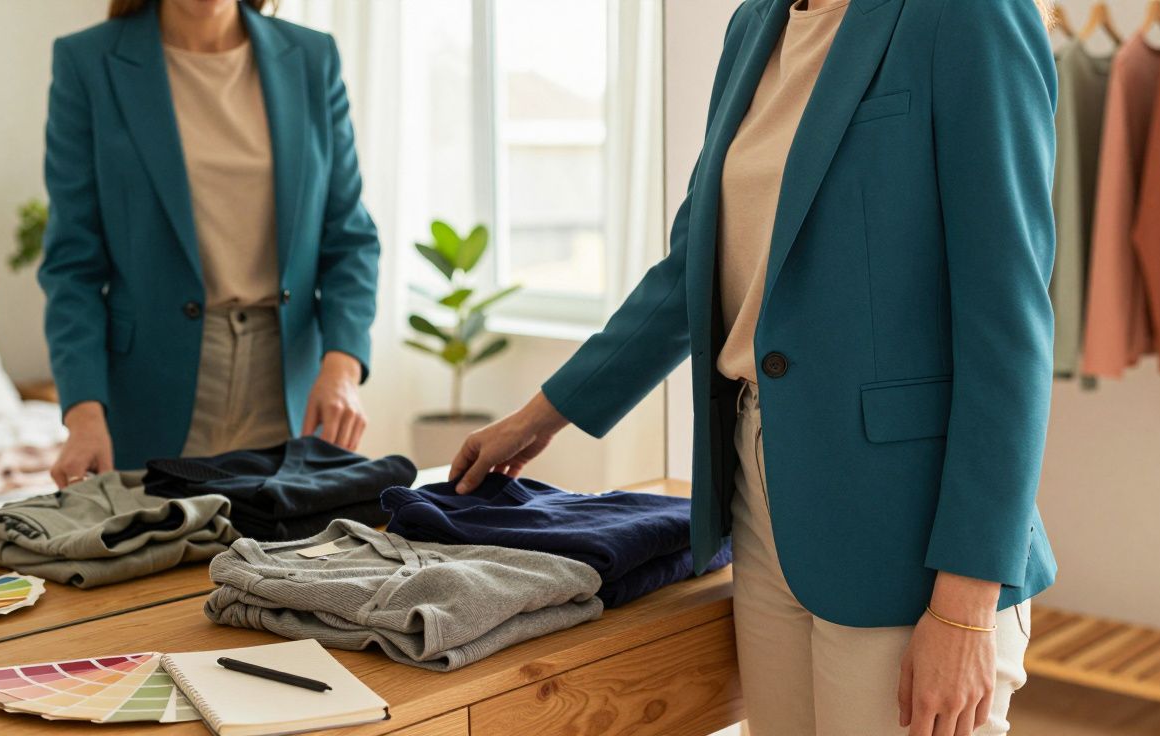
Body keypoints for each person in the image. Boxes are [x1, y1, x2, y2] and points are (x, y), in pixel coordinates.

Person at [450, 0, 1058, 733]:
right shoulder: (754, 26)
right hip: (763, 495)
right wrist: (539, 416)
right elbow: (691, 274)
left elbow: (1008, 333)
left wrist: (965, 609)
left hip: (908, 527)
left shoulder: (968, 17)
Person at [39, 0, 377, 485]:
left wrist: (342, 366)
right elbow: (73, 265)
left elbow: (350, 237)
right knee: (162, 558)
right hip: (150, 391)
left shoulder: (311, 56)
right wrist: (84, 412)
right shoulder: (88, 62)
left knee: (288, 558)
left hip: (289, 384)